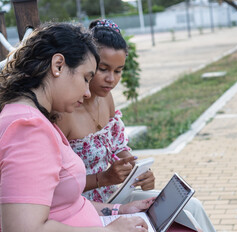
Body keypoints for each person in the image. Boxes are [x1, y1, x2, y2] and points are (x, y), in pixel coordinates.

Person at [56, 19, 216, 232]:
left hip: (117, 193)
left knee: (190, 206)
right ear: (88, 64)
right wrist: (102, 178)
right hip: (86, 206)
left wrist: (137, 172)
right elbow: (57, 188)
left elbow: (118, 146)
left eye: (119, 70)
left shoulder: (106, 98)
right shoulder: (64, 113)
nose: (111, 79)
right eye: (103, 69)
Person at [0, 22, 155, 232]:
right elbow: (25, 229)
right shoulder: (28, 128)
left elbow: (66, 205)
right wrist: (110, 230)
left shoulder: (36, 119)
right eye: (85, 78)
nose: (87, 92)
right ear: (58, 65)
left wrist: (120, 210)